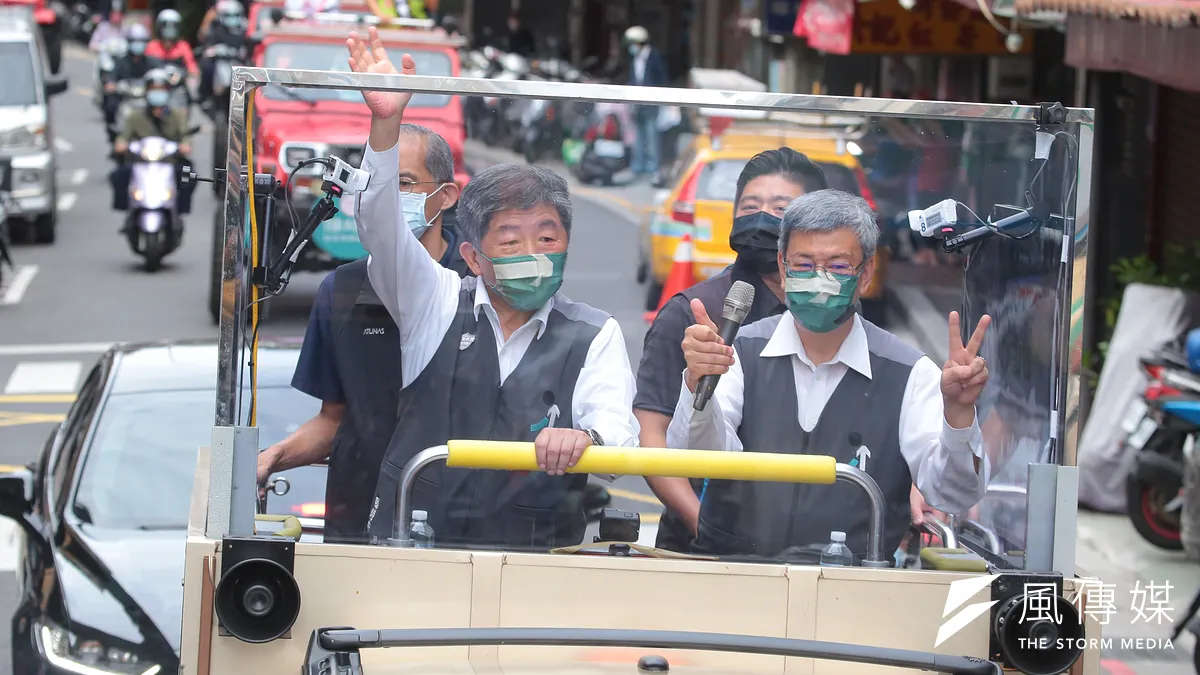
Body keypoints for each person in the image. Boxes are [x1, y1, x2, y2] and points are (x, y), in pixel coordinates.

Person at [346, 28, 638, 548]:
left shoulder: (595, 333)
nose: (532, 254)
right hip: (414, 544)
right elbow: (379, 226)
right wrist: (385, 124)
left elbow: (618, 438)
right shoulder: (433, 299)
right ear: (472, 257)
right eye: (509, 240)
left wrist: (584, 438)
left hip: (535, 557)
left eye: (547, 238)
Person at [669, 189, 991, 561]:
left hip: (854, 582)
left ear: (866, 273)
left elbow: (953, 494)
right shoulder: (737, 353)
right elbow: (699, 456)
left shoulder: (910, 373)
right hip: (734, 574)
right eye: (804, 265)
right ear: (783, 268)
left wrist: (959, 417)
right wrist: (698, 382)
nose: (818, 281)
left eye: (837, 267)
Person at [256, 124, 468, 545]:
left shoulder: (479, 287)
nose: (384, 201)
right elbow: (333, 420)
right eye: (374, 188)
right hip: (358, 524)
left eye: (402, 184)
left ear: (446, 196)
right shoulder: (342, 291)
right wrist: (272, 458)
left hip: (460, 529)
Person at [635, 148, 827, 551]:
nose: (761, 218)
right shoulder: (691, 311)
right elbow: (651, 435)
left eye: (780, 208)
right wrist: (703, 524)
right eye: (750, 207)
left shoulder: (832, 316)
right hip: (700, 547)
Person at [109, 69, 195, 216]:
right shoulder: (135, 116)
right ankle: (127, 209)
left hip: (169, 162)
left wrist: (185, 146)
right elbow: (124, 136)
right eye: (153, 89)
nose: (157, 93)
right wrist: (121, 145)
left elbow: (185, 136)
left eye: (161, 89)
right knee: (118, 176)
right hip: (141, 162)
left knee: (189, 177)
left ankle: (180, 210)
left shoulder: (177, 115)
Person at [624, 26, 668, 180]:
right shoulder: (634, 59)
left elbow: (662, 79)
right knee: (638, 137)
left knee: (652, 137)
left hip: (651, 104)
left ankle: (653, 168)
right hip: (637, 104)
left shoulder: (654, 56)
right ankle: (638, 167)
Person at [102, 23, 159, 142]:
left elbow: (160, 74)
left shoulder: (151, 62)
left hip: (145, 97)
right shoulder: (121, 62)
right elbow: (111, 78)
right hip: (126, 97)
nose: (138, 45)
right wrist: (111, 85)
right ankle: (113, 129)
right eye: (135, 41)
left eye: (141, 41)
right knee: (111, 104)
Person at [197, 0, 251, 110]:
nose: (232, 19)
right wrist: (213, 50)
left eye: (235, 15)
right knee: (207, 67)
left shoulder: (245, 29)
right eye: (228, 15)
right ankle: (205, 95)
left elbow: (248, 47)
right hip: (220, 61)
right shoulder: (216, 27)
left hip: (238, 62)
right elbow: (207, 41)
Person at [145, 9, 198, 75]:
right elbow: (145, 68)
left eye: (173, 27)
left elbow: (192, 68)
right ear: (159, 27)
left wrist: (190, 73)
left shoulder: (183, 46)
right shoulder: (152, 46)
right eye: (165, 26)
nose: (169, 31)